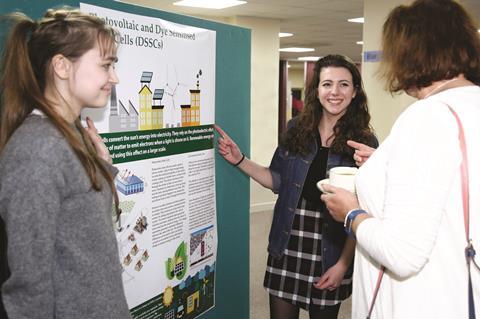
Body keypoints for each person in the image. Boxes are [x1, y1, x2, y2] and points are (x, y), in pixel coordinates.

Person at [321, 0, 480, 318]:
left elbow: (402, 253)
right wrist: (386, 163)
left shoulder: (427, 116)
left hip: (421, 300)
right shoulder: (471, 103)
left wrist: (351, 213)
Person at [216, 54, 378, 319]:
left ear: (355, 91)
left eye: (343, 84)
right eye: (327, 84)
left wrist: (343, 264)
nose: (334, 92)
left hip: (332, 248)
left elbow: (362, 209)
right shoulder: (296, 129)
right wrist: (240, 160)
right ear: (316, 90)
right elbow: (277, 180)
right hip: (288, 241)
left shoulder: (364, 142)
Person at [0, 7, 132, 318]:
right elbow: (29, 286)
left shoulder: (70, 133)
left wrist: (104, 170)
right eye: (106, 66)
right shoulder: (37, 149)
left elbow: (80, 229)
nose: (115, 77)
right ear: (61, 66)